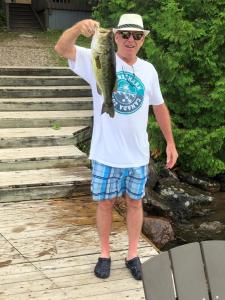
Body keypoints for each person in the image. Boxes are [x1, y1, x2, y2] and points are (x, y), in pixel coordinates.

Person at [55, 13, 178, 281]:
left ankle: (133, 254)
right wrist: (78, 27)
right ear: (115, 37)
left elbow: (159, 107)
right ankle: (104, 254)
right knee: (105, 204)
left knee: (135, 204)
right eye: (124, 34)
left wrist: (170, 142)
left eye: (137, 35)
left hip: (137, 155)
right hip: (105, 153)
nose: (130, 39)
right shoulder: (97, 58)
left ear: (142, 39)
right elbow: (62, 48)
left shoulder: (149, 70)